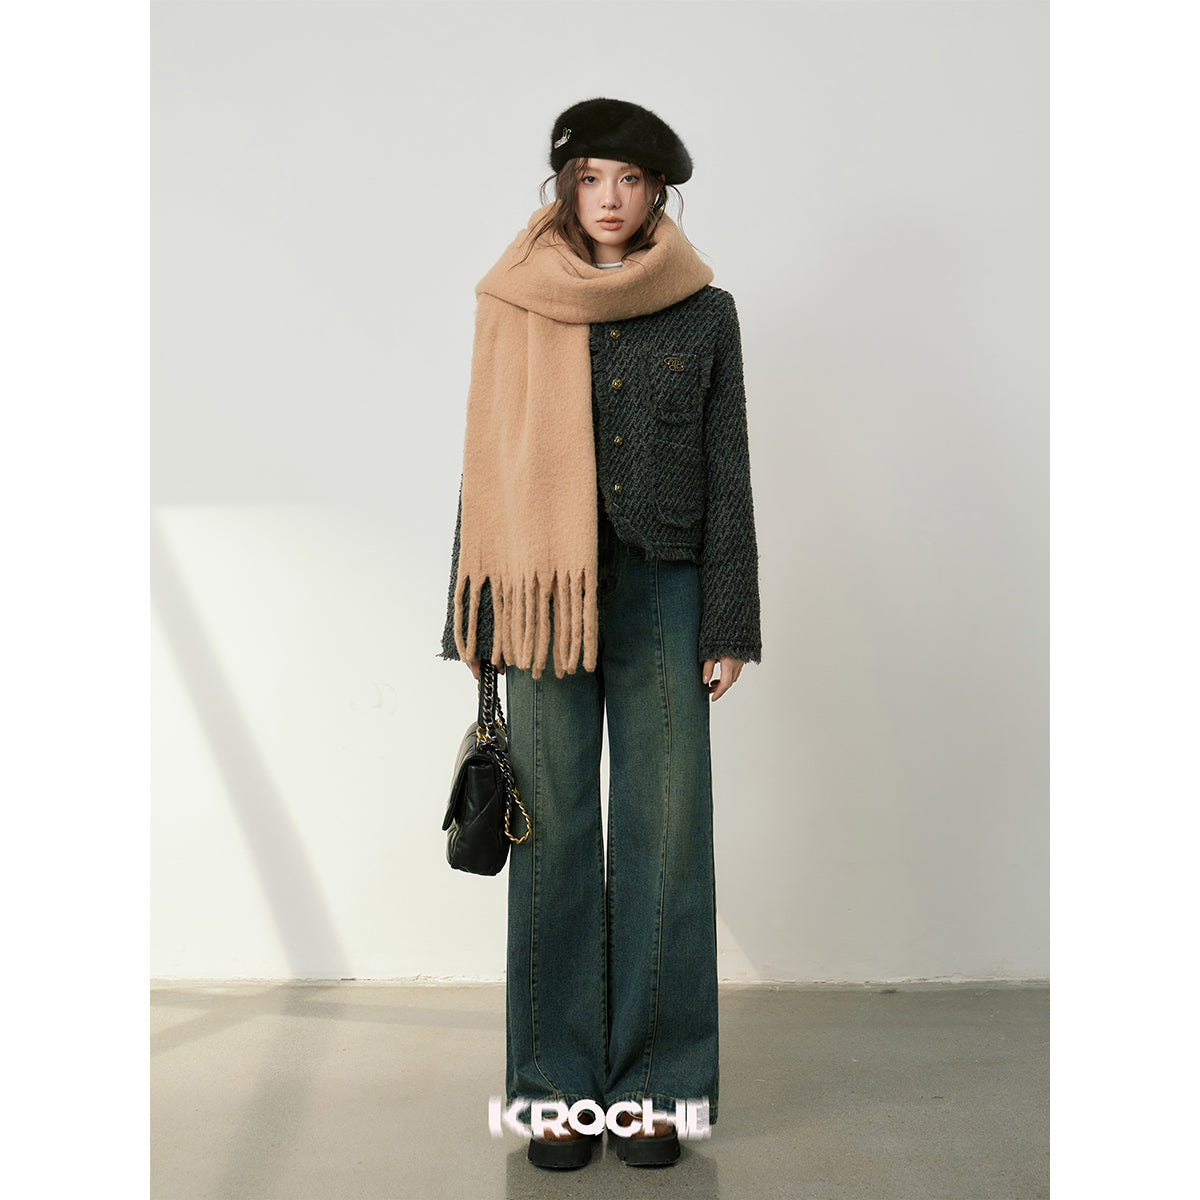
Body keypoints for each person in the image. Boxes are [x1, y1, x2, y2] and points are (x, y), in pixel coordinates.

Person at [439, 97, 762, 1170]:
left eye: (629, 180)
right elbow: (486, 461)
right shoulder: (514, 298)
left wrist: (729, 619)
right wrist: (475, 612)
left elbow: (727, 472)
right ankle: (554, 1092)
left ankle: (659, 1092)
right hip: (539, 597)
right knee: (554, 834)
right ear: (564, 187)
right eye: (590, 178)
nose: (609, 199)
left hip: (664, 592)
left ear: (658, 191)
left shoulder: (704, 311)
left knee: (667, 836)